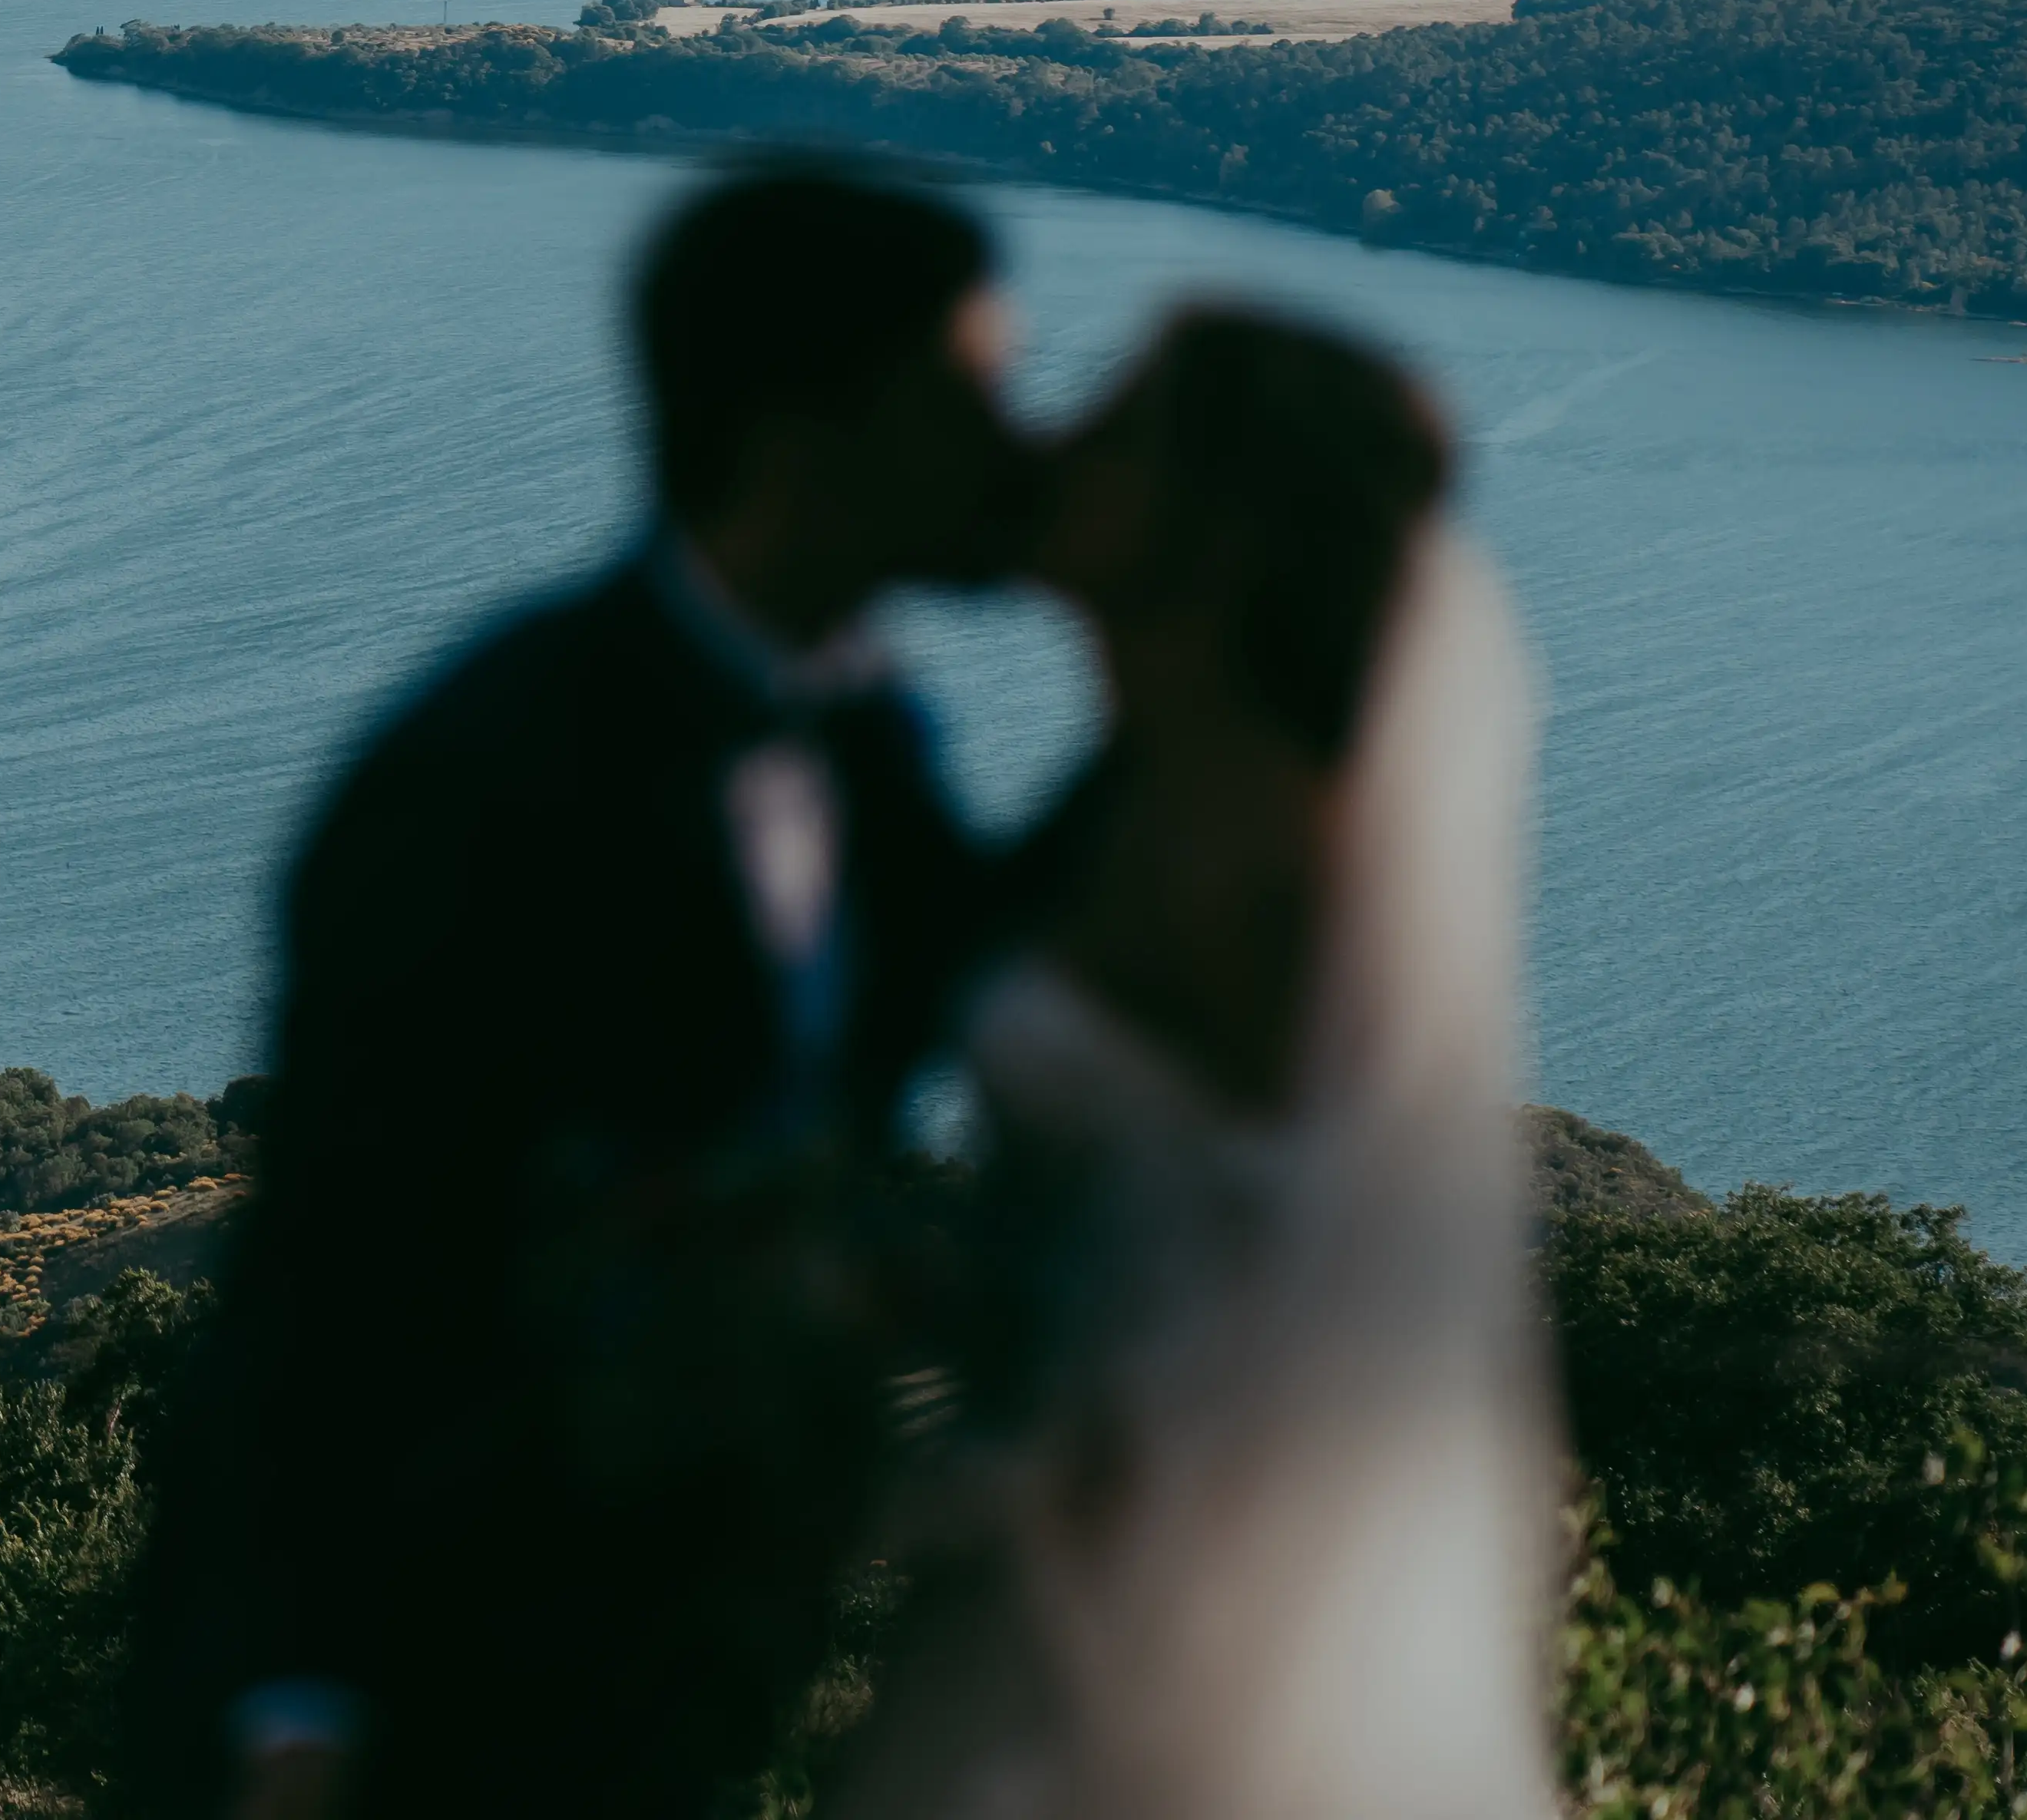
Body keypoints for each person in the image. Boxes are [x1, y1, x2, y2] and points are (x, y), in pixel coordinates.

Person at [142, 161, 1054, 1820]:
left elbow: (1021, 975)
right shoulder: (491, 775)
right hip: (415, 1677)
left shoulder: (874, 748)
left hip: (667, 1664)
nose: (1023, 452)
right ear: (798, 433)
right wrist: (302, 1695)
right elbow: (348, 1260)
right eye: (972, 400)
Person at [829, 309, 1558, 1820]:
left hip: (1149, 1585)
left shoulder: (1267, 876)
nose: (1052, 438)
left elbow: (1258, 1278)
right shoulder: (1123, 798)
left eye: (1116, 426)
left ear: (1216, 526)